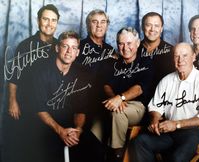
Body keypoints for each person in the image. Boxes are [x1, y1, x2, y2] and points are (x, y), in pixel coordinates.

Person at [129, 43, 199, 162]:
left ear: (194, 57)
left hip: (196, 132)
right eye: (177, 56)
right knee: (140, 142)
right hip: (170, 131)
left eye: (185, 55)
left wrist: (177, 124)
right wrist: (155, 119)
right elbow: (156, 106)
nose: (180, 60)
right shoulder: (167, 80)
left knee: (176, 158)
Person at [3, 4, 60, 162]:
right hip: (27, 105)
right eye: (46, 19)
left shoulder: (59, 47)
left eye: (53, 20)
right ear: (38, 21)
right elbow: (14, 76)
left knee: (49, 149)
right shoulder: (24, 46)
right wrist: (12, 101)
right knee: (26, 148)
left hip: (50, 106)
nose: (49, 24)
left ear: (57, 23)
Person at [32, 31, 91, 162]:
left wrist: (78, 130)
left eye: (74, 48)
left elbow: (80, 110)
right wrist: (60, 131)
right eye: (65, 46)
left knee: (96, 150)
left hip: (70, 126)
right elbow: (40, 109)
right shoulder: (40, 71)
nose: (69, 51)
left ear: (77, 52)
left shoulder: (82, 74)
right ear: (57, 48)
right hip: (46, 126)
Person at [103, 27, 150, 162]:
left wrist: (120, 98)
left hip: (138, 107)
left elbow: (139, 88)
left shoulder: (146, 62)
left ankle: (117, 157)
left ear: (137, 43)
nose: (125, 48)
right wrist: (114, 98)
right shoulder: (113, 63)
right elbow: (106, 85)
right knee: (95, 124)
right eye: (121, 44)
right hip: (116, 102)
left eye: (129, 43)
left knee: (117, 113)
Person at [75, 9, 117, 162]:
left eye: (103, 22)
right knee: (91, 147)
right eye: (95, 21)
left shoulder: (111, 50)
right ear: (88, 25)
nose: (99, 25)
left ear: (107, 25)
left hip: (106, 104)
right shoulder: (79, 48)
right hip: (84, 105)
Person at [139, 12, 175, 102]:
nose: (152, 29)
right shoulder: (132, 49)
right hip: (138, 101)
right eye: (148, 25)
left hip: (165, 100)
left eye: (156, 26)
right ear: (143, 27)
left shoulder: (172, 51)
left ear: (161, 29)